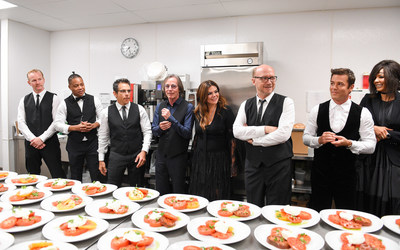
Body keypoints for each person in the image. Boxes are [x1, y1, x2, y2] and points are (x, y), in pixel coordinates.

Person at [303, 68, 376, 212]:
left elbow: (371, 145)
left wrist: (349, 143)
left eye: (340, 84)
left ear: (351, 88)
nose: (334, 88)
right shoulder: (317, 110)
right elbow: (306, 138)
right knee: (317, 211)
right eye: (332, 83)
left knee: (346, 214)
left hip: (347, 175)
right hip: (320, 173)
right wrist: (319, 140)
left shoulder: (363, 113)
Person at [233, 64, 294, 207]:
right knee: (253, 207)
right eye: (264, 78)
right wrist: (265, 129)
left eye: (272, 77)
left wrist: (254, 141)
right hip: (253, 166)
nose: (269, 82)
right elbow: (237, 131)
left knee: (277, 209)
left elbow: (283, 135)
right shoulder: (245, 104)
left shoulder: (286, 102)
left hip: (278, 166)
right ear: (253, 81)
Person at [358, 60, 400, 216]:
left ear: (394, 77)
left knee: (392, 207)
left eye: (381, 76)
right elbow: (357, 124)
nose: (376, 80)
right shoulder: (367, 100)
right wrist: (373, 128)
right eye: (375, 77)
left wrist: (388, 134)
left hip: (393, 163)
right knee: (365, 205)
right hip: (368, 160)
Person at [98, 78, 152, 187]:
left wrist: (144, 151)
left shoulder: (139, 109)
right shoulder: (106, 113)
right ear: (115, 94)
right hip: (116, 155)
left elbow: (147, 132)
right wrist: (101, 159)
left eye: (128, 91)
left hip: (136, 155)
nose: (127, 94)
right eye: (123, 91)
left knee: (137, 188)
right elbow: (103, 137)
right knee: (112, 187)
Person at [189, 80, 236, 201]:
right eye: (210, 93)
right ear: (203, 96)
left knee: (217, 192)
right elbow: (197, 136)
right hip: (200, 158)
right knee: (200, 191)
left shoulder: (226, 111)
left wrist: (233, 163)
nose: (214, 95)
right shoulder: (197, 112)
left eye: (216, 92)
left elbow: (232, 139)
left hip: (219, 159)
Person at [54, 72, 103, 181]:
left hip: (93, 143)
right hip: (74, 144)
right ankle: (77, 197)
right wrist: (74, 128)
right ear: (69, 87)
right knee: (75, 176)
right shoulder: (64, 103)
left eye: (82, 84)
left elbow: (103, 119)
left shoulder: (94, 99)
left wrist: (94, 125)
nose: (80, 88)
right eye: (76, 86)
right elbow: (57, 124)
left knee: (96, 174)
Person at [17, 69, 66, 178]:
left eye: (39, 79)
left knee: (57, 173)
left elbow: (56, 122)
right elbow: (21, 123)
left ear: (43, 80)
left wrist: (42, 138)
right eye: (34, 80)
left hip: (50, 143)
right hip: (31, 144)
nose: (37, 82)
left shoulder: (54, 98)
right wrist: (33, 139)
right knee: (32, 175)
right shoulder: (23, 100)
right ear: (29, 83)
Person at [152, 74, 194, 195]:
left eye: (173, 86)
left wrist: (172, 119)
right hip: (161, 156)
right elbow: (154, 130)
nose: (170, 89)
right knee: (160, 191)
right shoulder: (160, 106)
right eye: (167, 86)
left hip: (178, 157)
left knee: (178, 192)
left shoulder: (188, 107)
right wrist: (160, 128)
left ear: (179, 89)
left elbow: (187, 133)